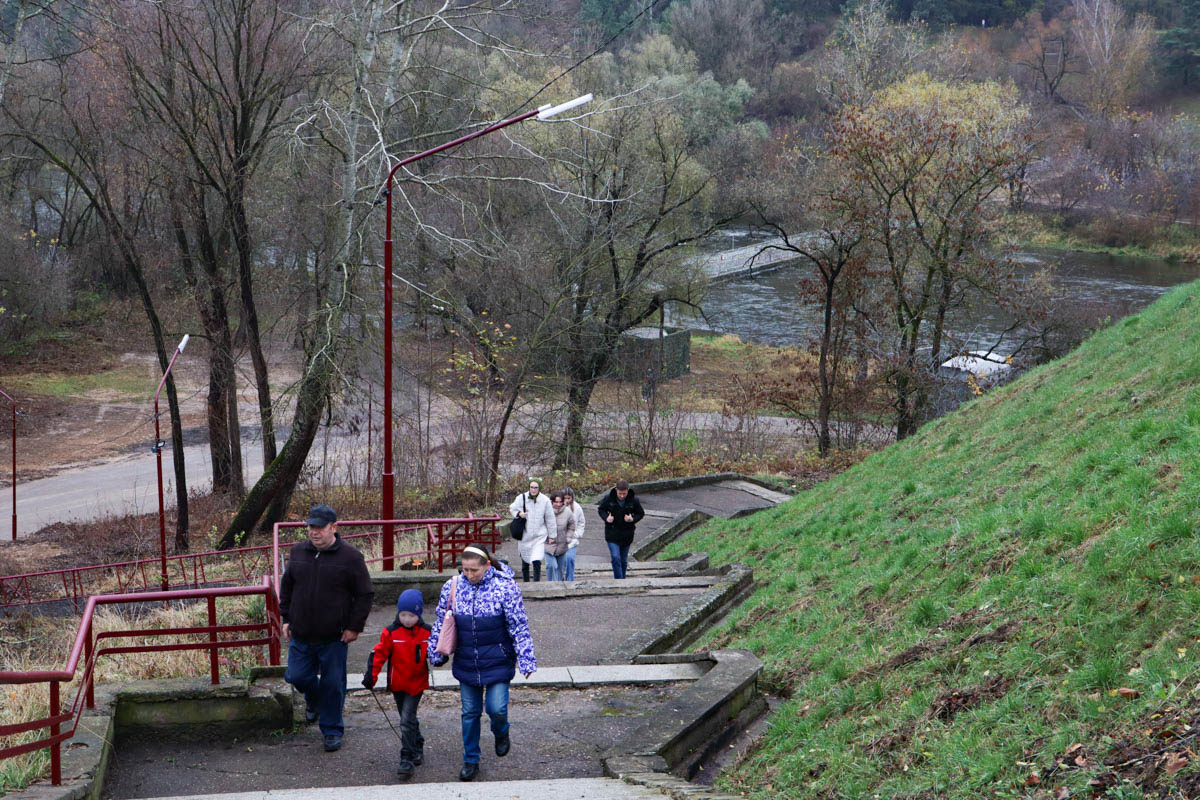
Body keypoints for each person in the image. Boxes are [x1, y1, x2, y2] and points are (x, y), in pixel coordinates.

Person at [428, 545, 536, 782]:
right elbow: (440, 620)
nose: (469, 575)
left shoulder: (505, 587)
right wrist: (434, 652)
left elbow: (518, 624)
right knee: (469, 713)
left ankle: (501, 732)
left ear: (487, 565)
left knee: (497, 709)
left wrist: (526, 659)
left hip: (497, 659)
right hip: (466, 661)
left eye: (474, 570)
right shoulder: (453, 586)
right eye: (465, 570)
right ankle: (471, 759)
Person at [280, 504, 374, 752]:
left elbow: (364, 594)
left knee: (333, 684)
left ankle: (332, 730)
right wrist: (286, 618)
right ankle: (314, 699)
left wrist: (354, 627)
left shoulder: (351, 557)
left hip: (334, 636)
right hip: (301, 632)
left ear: (334, 527)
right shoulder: (298, 551)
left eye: (320, 527)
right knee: (296, 676)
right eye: (311, 527)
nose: (314, 532)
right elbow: (287, 586)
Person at [361, 589, 430, 779]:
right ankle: (417, 743)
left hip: (416, 684)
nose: (407, 619)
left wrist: (440, 657)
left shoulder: (426, 632)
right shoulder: (391, 632)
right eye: (403, 615)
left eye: (412, 615)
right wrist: (371, 677)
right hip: (397, 683)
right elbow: (379, 654)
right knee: (407, 718)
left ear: (419, 614)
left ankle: (406, 758)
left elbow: (436, 651)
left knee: (406, 720)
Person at [509, 479, 555, 582]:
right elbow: (512, 508)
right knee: (525, 560)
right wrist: (519, 513)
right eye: (531, 487)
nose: (533, 490)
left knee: (536, 560)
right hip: (525, 534)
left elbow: (550, 519)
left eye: (536, 487)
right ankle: (526, 583)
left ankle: (536, 583)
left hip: (539, 535)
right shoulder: (521, 498)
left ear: (539, 488)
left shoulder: (545, 500)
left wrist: (552, 536)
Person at [597, 479, 644, 579]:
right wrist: (606, 518)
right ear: (616, 490)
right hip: (612, 533)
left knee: (623, 560)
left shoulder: (634, 500)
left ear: (628, 490)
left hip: (627, 534)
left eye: (624, 493)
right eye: (620, 493)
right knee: (615, 557)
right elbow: (601, 509)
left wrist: (632, 519)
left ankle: (623, 578)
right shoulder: (608, 498)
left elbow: (641, 513)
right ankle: (619, 580)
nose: (622, 496)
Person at [545, 491, 576, 581]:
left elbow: (572, 526)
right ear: (552, 502)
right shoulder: (546, 511)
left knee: (560, 570)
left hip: (562, 545)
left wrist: (568, 537)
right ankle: (551, 586)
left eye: (560, 502)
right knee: (552, 566)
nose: (558, 504)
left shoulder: (567, 512)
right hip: (548, 545)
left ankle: (559, 587)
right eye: (556, 502)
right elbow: (540, 526)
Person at [561, 487, 585, 581]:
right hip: (560, 539)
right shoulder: (557, 506)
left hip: (572, 540)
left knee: (570, 558)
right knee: (561, 561)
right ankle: (560, 578)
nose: (567, 500)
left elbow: (581, 522)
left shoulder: (577, 508)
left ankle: (570, 579)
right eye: (565, 498)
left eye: (569, 498)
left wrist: (578, 534)